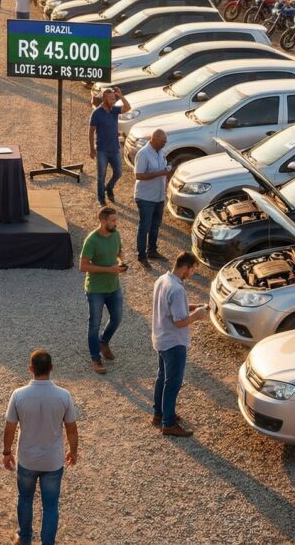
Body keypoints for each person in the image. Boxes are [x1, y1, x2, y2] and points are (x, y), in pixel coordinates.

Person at [2, 350, 78, 545]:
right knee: (51, 506)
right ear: (52, 368)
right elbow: (71, 430)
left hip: (27, 459)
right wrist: (73, 451)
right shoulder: (64, 396)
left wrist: (7, 452)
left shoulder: (18, 395)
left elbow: (9, 428)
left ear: (30, 369)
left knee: (25, 498)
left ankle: (24, 537)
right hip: (52, 461)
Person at [151, 252, 209, 437]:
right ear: (185, 268)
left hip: (160, 338)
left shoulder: (162, 279)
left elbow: (171, 306)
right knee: (173, 383)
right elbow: (179, 321)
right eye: (192, 270)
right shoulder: (177, 289)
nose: (192, 274)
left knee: (162, 378)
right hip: (173, 342)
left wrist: (192, 306)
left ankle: (158, 414)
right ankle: (168, 424)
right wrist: (198, 316)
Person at [79, 206, 125, 375]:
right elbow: (83, 266)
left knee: (117, 318)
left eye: (115, 220)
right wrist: (109, 269)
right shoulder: (91, 240)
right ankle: (95, 358)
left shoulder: (116, 234)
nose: (115, 223)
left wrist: (120, 262)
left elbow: (120, 251)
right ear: (103, 221)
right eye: (112, 220)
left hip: (114, 286)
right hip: (95, 289)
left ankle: (103, 342)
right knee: (94, 324)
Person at [133, 129, 173, 266]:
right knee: (144, 227)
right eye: (163, 142)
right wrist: (160, 173)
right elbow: (138, 175)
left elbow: (162, 169)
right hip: (145, 197)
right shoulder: (143, 154)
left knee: (155, 226)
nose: (164, 145)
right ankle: (142, 256)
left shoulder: (161, 152)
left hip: (159, 197)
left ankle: (152, 251)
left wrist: (167, 171)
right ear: (154, 139)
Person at [88, 87, 131, 206]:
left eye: (114, 98)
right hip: (102, 150)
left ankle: (109, 187)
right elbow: (91, 132)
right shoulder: (96, 113)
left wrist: (121, 95)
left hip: (115, 149)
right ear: (104, 99)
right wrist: (91, 149)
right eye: (111, 99)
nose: (113, 100)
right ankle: (101, 199)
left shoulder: (114, 110)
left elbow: (128, 108)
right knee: (101, 176)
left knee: (118, 172)